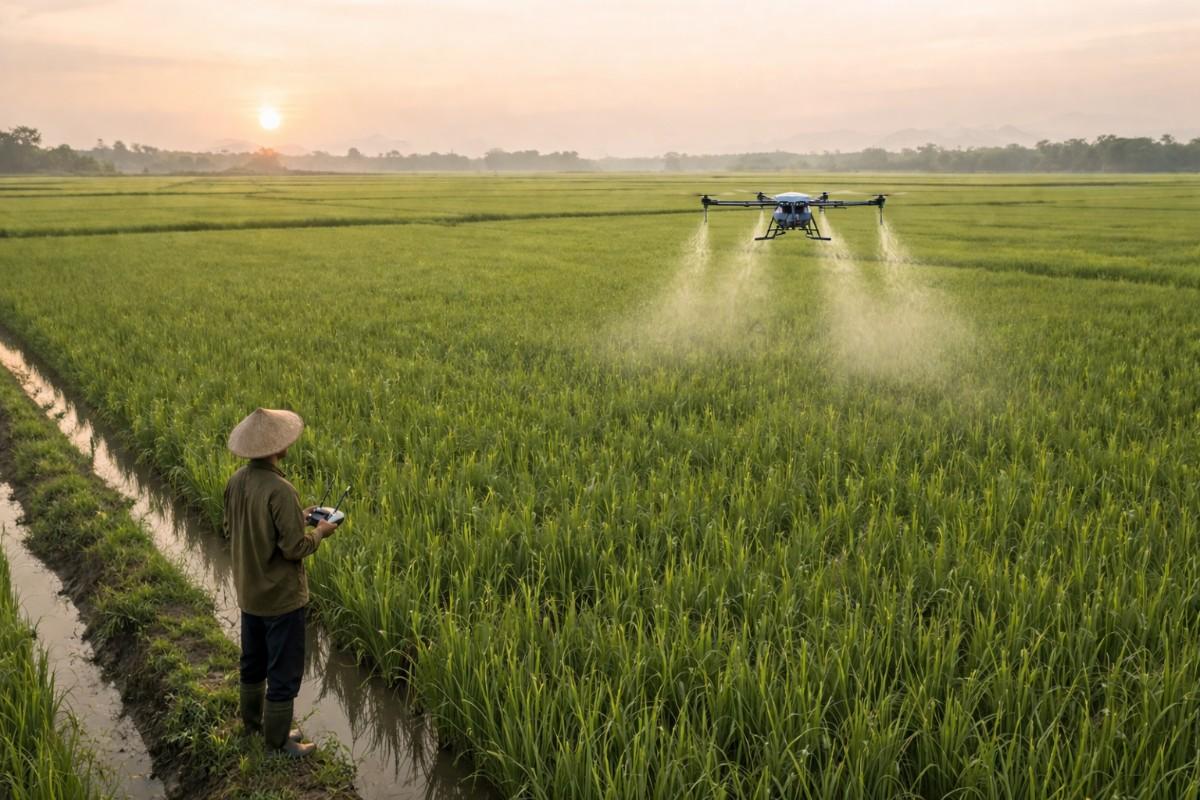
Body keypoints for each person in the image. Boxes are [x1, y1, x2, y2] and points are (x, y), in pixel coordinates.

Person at [223, 407, 339, 757]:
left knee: (253, 661)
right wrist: (320, 531)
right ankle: (277, 743)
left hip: (249, 591)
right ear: (277, 446)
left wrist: (298, 517)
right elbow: (294, 548)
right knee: (284, 671)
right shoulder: (280, 489)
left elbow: (233, 528)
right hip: (281, 599)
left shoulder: (236, 482)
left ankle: (253, 723)